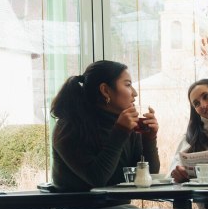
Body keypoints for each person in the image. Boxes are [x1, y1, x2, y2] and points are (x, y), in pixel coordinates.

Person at [51, 60, 160, 192]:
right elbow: (97, 179)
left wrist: (149, 139)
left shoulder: (127, 126)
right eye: (128, 85)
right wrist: (120, 132)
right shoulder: (69, 127)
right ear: (105, 90)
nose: (134, 93)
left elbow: (148, 176)